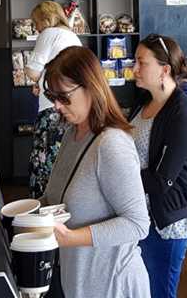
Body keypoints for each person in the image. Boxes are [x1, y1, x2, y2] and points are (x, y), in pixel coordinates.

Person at [42, 46, 150, 298]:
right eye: (52, 96)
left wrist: (71, 238)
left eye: (64, 97)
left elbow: (137, 224)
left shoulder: (111, 143)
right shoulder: (72, 133)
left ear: (91, 87)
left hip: (113, 285)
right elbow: (52, 199)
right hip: (80, 282)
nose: (57, 106)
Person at [130, 35, 187, 298]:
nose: (134, 69)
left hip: (167, 217)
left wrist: (119, 181)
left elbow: (163, 179)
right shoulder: (144, 102)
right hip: (143, 211)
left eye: (141, 62)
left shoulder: (181, 112)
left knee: (160, 291)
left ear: (164, 69)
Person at [25, 0, 82, 198]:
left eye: (36, 22)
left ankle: (41, 211)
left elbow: (32, 71)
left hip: (51, 108)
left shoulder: (49, 34)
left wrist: (38, 80)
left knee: (43, 163)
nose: (36, 28)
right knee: (61, 161)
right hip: (72, 109)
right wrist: (42, 82)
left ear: (46, 19)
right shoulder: (72, 35)